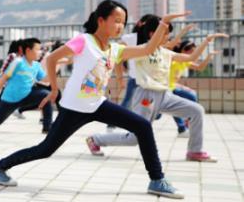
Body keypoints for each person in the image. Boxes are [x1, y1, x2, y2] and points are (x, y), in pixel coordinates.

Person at [0, 0, 189, 199]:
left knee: (143, 126)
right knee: (45, 149)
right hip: (74, 108)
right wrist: (54, 88)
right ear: (101, 20)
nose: (120, 26)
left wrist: (163, 24)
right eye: (117, 20)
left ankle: (157, 180)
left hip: (97, 104)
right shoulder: (84, 41)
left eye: (123, 22)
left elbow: (147, 49)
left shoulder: (115, 49)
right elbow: (52, 58)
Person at [86, 18, 224, 163]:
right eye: (166, 33)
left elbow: (191, 57)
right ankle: (95, 139)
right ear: (153, 34)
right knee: (135, 138)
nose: (168, 37)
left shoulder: (166, 53)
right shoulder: (142, 50)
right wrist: (120, 77)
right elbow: (118, 56)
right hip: (146, 96)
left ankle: (194, 151)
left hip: (165, 95)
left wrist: (206, 41)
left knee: (196, 111)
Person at [0, 38, 53, 132]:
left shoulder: (36, 65)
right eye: (38, 49)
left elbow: (45, 79)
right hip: (10, 99)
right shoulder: (18, 62)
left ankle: (47, 127)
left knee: (46, 94)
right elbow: (4, 77)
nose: (40, 52)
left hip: (26, 96)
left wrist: (53, 68)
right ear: (28, 50)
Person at [167, 39, 218, 136]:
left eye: (193, 52)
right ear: (183, 50)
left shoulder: (185, 62)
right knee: (165, 110)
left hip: (172, 87)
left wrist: (209, 56)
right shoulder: (174, 60)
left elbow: (200, 68)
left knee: (192, 96)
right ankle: (183, 127)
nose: (193, 54)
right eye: (191, 52)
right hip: (165, 89)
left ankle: (185, 124)